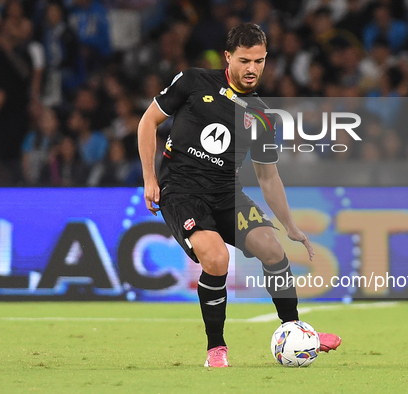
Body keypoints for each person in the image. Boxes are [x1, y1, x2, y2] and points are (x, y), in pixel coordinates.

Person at [137, 23, 341, 368]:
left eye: (259, 61)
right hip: (183, 190)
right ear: (229, 57)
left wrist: (289, 225)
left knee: (272, 247)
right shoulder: (193, 82)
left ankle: (296, 331)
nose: (252, 69)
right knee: (216, 259)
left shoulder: (261, 114)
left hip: (227, 193)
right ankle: (216, 348)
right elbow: (147, 122)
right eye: (245, 60)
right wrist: (149, 178)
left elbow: (267, 175)